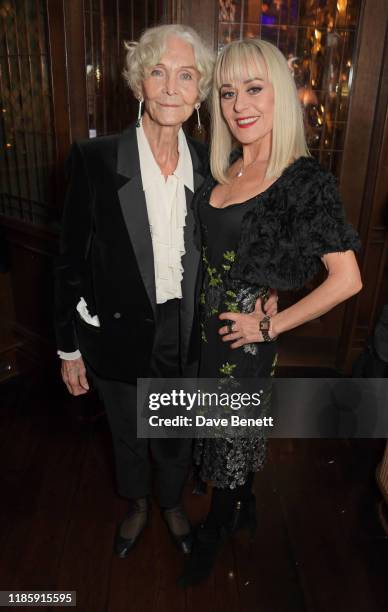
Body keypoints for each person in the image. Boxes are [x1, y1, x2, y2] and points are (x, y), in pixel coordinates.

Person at [54, 24, 277, 559]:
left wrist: (267, 289)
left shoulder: (211, 163)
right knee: (129, 433)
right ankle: (136, 504)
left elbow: (239, 240)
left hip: (187, 329)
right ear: (139, 85)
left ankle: (172, 503)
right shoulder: (95, 159)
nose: (172, 87)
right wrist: (68, 348)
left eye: (186, 75)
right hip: (117, 331)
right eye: (158, 72)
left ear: (200, 91)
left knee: (176, 431)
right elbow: (67, 261)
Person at [179, 38, 362, 587]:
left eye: (254, 89)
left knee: (229, 435)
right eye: (228, 93)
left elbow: (348, 278)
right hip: (203, 329)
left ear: (280, 94)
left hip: (244, 340)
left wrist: (270, 323)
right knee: (222, 429)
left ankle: (216, 527)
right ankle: (247, 501)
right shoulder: (227, 167)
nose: (239, 105)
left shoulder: (303, 180)